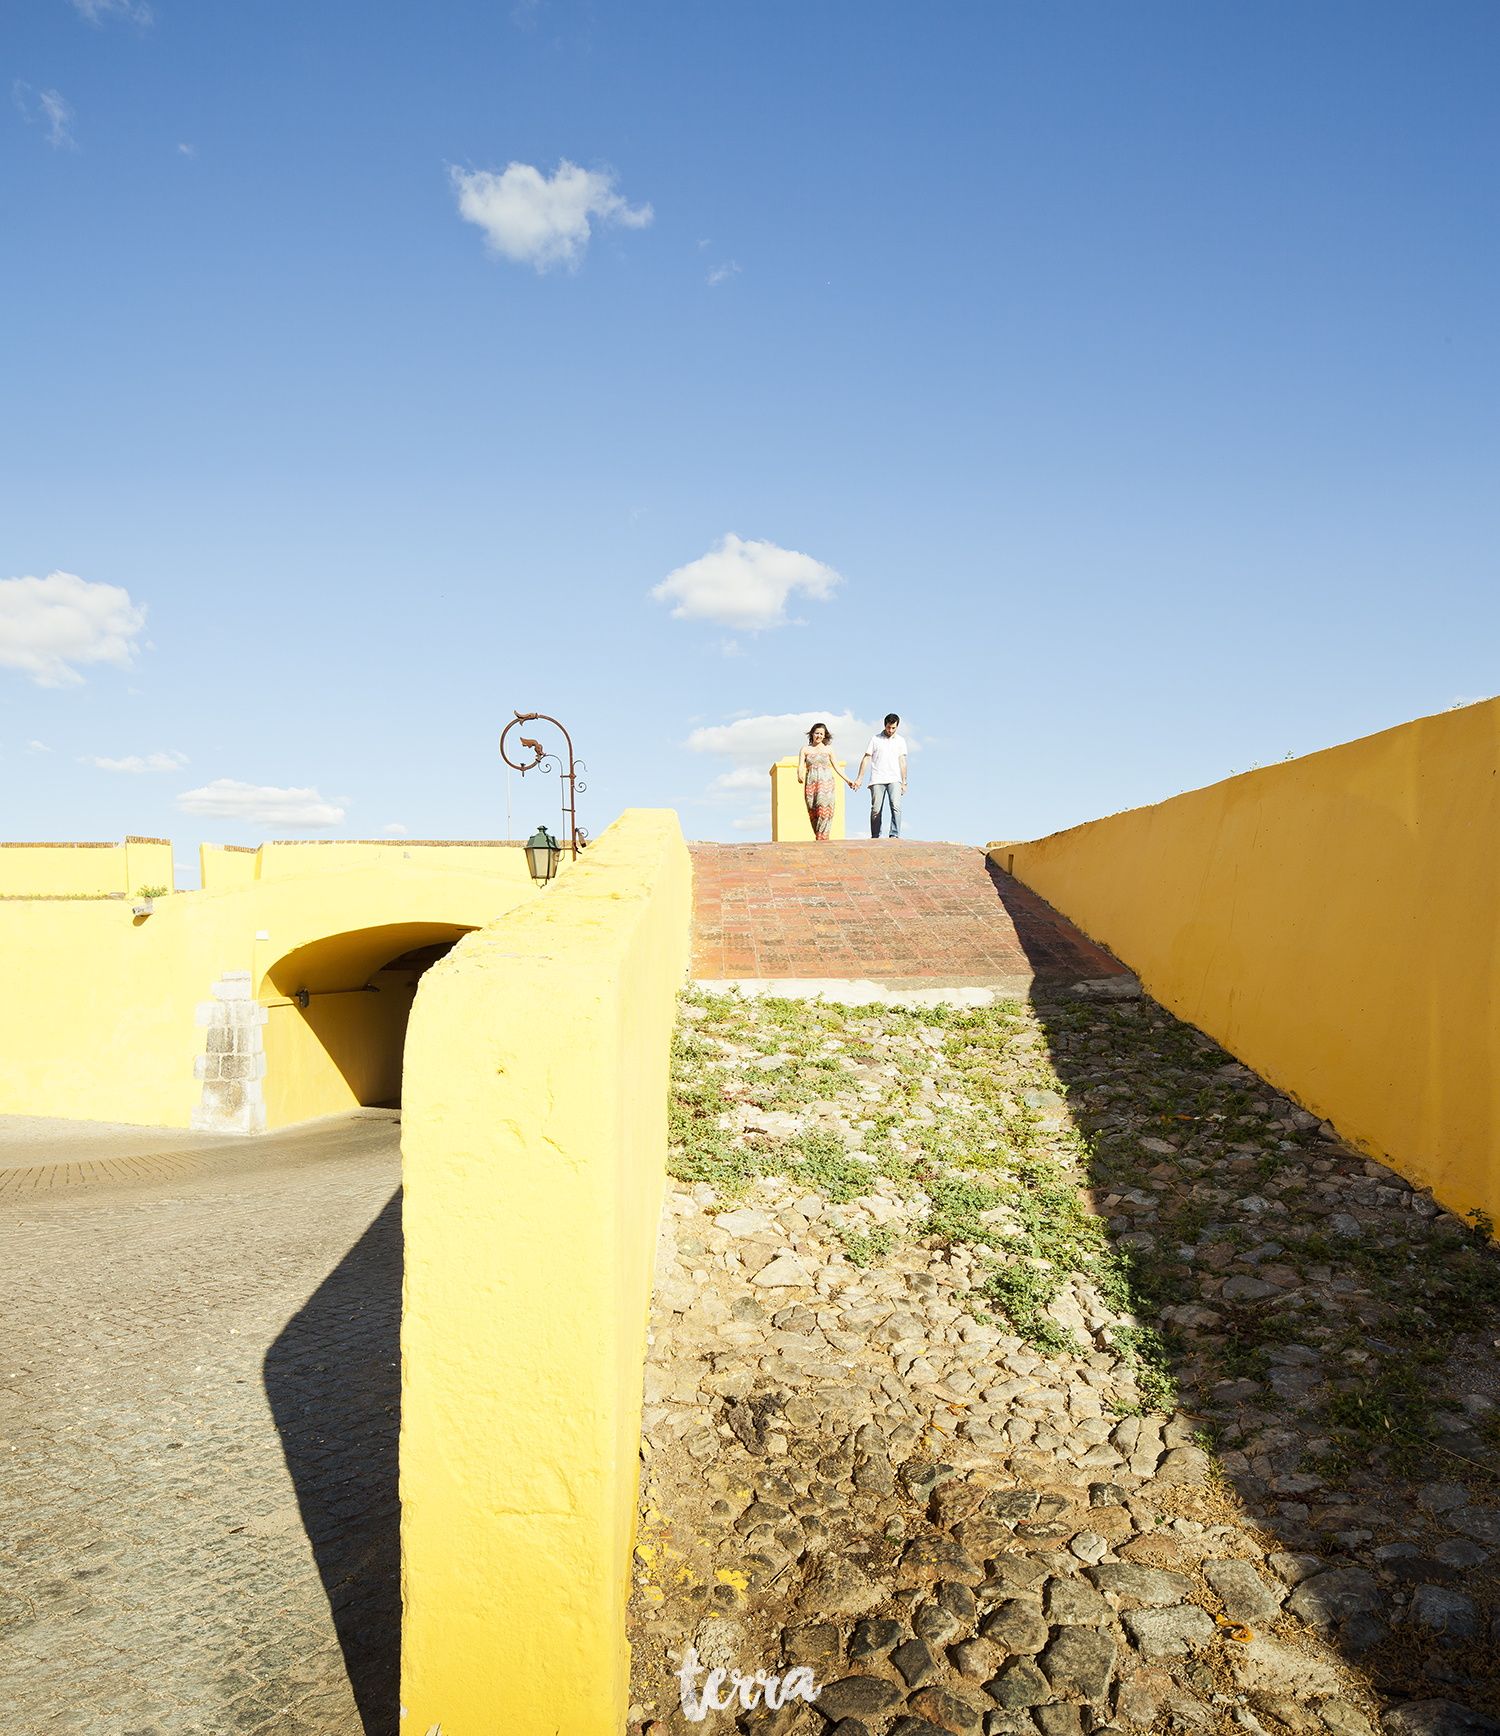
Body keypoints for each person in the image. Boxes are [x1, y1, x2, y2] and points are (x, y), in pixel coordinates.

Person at [797, 721, 858, 841]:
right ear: (812, 734)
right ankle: (819, 837)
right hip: (811, 783)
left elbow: (836, 766)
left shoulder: (829, 749)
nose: (819, 736)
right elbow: (800, 765)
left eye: (821, 734)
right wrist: (799, 774)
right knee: (813, 811)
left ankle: (822, 838)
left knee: (823, 809)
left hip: (826, 784)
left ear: (825, 735)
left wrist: (848, 780)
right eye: (817, 733)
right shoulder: (805, 749)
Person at [855, 713, 908, 838]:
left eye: (893, 728)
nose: (890, 730)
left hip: (894, 779)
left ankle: (894, 835)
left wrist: (904, 782)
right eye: (889, 727)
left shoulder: (900, 741)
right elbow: (866, 758)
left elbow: (902, 761)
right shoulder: (875, 739)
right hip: (877, 779)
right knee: (876, 809)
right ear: (885, 725)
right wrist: (860, 778)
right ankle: (875, 835)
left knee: (896, 806)